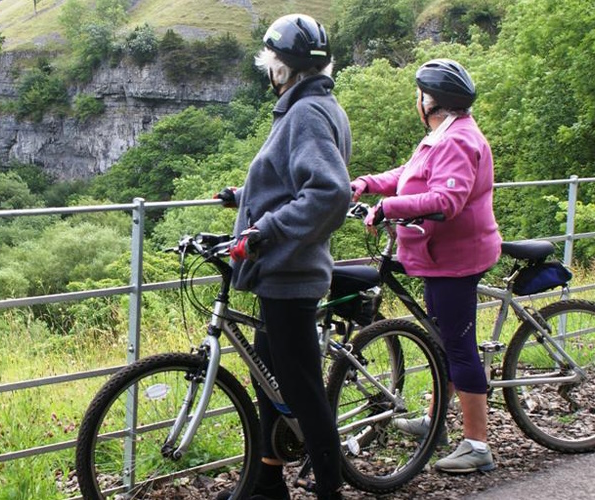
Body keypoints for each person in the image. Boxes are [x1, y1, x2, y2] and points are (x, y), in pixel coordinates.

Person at [213, 13, 351, 500]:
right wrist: (245, 194)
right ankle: (268, 481)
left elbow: (330, 193)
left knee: (305, 394)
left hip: (291, 275)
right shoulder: (311, 105)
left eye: (270, 64)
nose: (268, 73)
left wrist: (265, 228)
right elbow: (291, 177)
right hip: (280, 273)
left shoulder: (306, 113)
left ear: (283, 68)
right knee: (269, 378)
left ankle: (331, 491)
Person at [350, 58, 502, 474]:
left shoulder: (456, 140)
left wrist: (387, 208)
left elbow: (446, 200)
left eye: (418, 96)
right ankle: (436, 423)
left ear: (428, 101)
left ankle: (477, 446)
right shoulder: (445, 134)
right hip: (443, 255)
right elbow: (412, 173)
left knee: (457, 346)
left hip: (456, 258)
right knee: (442, 338)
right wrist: (367, 183)